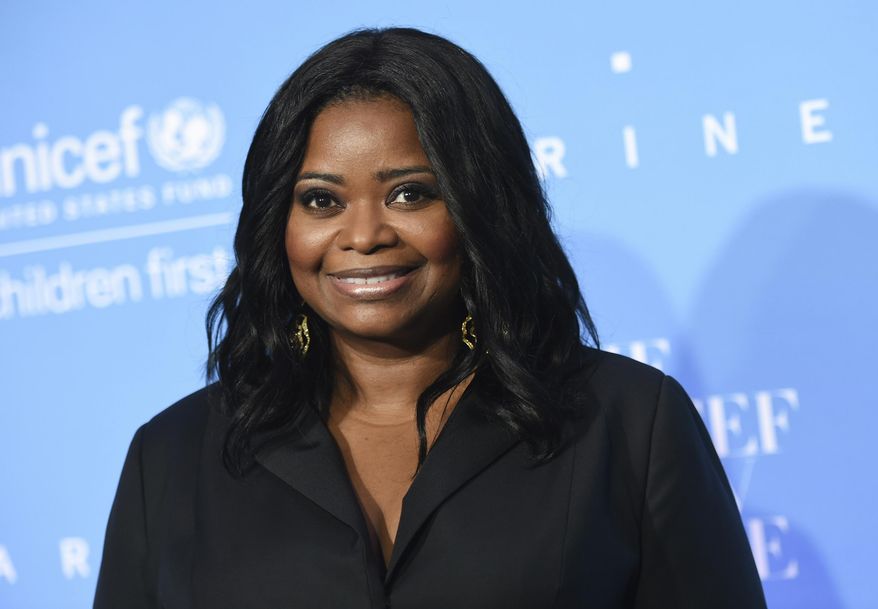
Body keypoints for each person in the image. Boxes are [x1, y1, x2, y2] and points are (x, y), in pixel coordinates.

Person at [93, 27, 767, 609]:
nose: (363, 235)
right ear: (278, 224)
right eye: (321, 200)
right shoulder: (173, 456)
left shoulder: (626, 421)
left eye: (409, 193)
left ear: (481, 208)